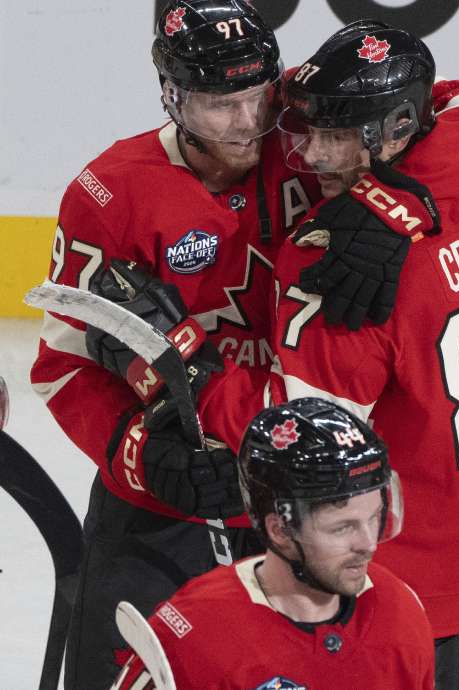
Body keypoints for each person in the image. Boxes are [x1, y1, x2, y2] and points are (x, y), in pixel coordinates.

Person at [247, 21, 459, 690]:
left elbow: (311, 445)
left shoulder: (331, 262)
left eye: (335, 135)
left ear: (395, 132)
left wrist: (203, 386)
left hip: (393, 576)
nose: (310, 153)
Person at [29, 2, 321, 685]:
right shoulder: (112, 192)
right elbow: (63, 366)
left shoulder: (313, 144)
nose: (249, 122)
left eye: (260, 97)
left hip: (301, 486)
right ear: (173, 95)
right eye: (221, 104)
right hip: (164, 495)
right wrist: (141, 460)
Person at [110, 397, 435, 689]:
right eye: (342, 528)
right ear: (280, 530)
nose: (368, 544)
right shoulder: (192, 637)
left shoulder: (399, 612)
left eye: (375, 517)